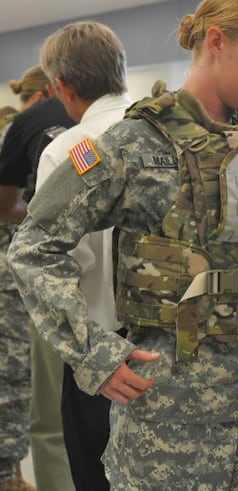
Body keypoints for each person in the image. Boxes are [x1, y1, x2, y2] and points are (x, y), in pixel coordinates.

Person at [8, 1, 238, 489]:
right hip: (174, 428)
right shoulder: (135, 143)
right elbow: (33, 247)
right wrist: (93, 352)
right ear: (217, 42)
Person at [36, 21, 132, 491]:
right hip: (179, 346)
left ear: (63, 87)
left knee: (97, 475)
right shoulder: (172, 134)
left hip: (101, 351)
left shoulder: (67, 151)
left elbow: (55, 263)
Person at [0, 65, 68, 491]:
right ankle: (7, 474)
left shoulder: (18, 132)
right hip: (11, 278)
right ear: (46, 95)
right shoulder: (19, 135)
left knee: (21, 378)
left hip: (18, 273)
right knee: (15, 377)